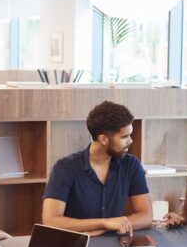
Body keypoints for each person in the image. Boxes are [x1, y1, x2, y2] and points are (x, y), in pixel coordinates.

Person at [42, 100, 152, 235]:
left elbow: (146, 216)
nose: (130, 141)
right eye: (124, 137)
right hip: (77, 243)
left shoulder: (131, 165)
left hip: (114, 242)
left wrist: (107, 227)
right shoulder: (65, 168)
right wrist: (104, 223)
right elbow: (50, 221)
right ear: (103, 139)